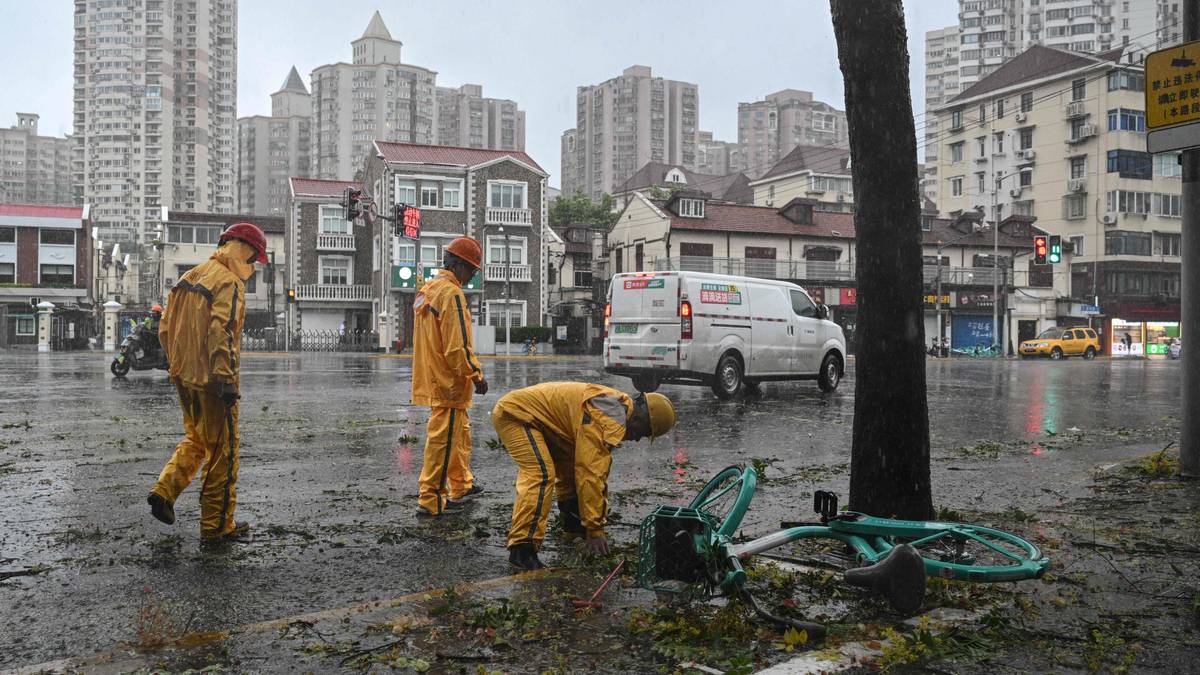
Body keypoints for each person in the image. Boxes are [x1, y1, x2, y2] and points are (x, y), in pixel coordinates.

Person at [146, 222, 268, 543]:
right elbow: (222, 330)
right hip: (214, 382)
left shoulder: (188, 277)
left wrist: (180, 363)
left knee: (197, 439)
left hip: (184, 377)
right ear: (244, 249)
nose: (253, 265)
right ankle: (216, 526)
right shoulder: (228, 282)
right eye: (254, 258)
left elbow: (165, 329)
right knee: (223, 453)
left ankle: (165, 489)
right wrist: (226, 379)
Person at [492, 382, 677, 570]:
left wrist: (585, 522)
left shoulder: (616, 408)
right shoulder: (608, 420)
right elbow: (591, 475)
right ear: (640, 418)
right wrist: (595, 529)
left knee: (570, 463)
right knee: (541, 474)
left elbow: (579, 469)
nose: (637, 439)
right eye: (643, 433)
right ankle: (522, 549)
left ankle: (573, 525)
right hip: (517, 415)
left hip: (538, 419)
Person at [412, 237, 488, 518]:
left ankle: (461, 486)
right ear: (459, 265)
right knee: (443, 443)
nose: (471, 277)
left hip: (435, 377)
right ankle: (431, 498)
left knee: (458, 435)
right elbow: (458, 345)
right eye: (471, 271)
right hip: (450, 382)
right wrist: (476, 374)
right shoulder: (451, 294)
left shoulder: (428, 290)